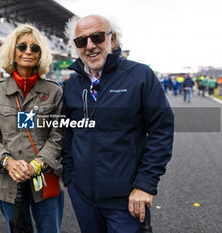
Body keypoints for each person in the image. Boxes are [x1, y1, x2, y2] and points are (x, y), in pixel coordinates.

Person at [62, 15, 174, 233]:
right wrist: (69, 178)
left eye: (97, 37)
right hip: (83, 198)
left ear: (112, 40)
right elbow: (67, 133)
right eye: (81, 41)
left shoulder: (140, 76)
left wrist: (144, 184)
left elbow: (162, 131)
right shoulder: (72, 84)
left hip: (127, 200)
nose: (90, 46)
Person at [0, 24, 64, 233]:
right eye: (22, 46)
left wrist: (37, 164)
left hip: (44, 178)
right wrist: (8, 162)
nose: (28, 51)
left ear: (41, 54)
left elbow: (58, 136)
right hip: (8, 180)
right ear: (12, 51)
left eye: (35, 48)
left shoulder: (54, 91)